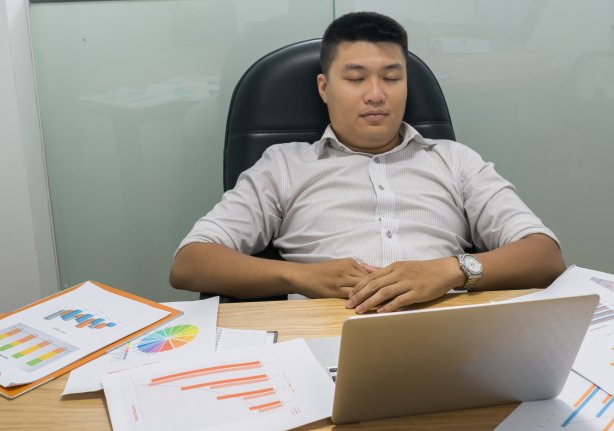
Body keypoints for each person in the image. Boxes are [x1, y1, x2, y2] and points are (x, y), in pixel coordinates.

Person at [170, 11, 565, 313]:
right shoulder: (284, 165)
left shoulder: (454, 160)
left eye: (391, 78)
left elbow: (545, 256)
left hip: (449, 326)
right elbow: (190, 263)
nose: (376, 94)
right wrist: (301, 277)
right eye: (356, 79)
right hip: (325, 329)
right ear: (325, 88)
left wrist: (449, 271)